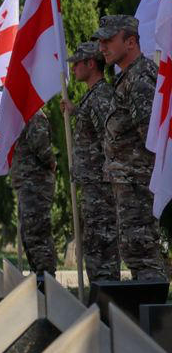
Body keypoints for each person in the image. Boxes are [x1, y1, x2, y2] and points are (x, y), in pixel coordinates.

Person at [97, 14, 167, 280]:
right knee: (136, 253)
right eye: (101, 41)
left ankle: (155, 307)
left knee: (143, 254)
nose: (102, 46)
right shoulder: (128, 77)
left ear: (130, 42)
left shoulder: (140, 79)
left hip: (139, 184)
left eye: (108, 40)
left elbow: (152, 139)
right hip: (129, 183)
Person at [62, 39, 117, 287]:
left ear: (91, 64)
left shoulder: (101, 96)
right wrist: (76, 111)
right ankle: (102, 299)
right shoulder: (93, 96)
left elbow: (110, 138)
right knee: (95, 249)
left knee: (101, 249)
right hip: (94, 185)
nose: (73, 68)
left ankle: (108, 302)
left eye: (77, 63)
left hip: (101, 187)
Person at [10, 109, 57, 274]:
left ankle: (46, 278)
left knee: (37, 233)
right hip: (27, 184)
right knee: (28, 234)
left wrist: (52, 162)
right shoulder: (23, 115)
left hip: (36, 185)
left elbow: (42, 147)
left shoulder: (34, 115)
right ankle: (38, 275)